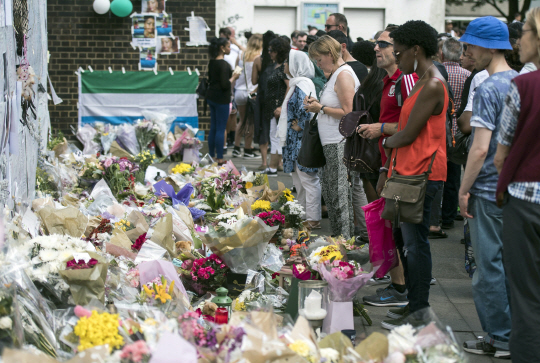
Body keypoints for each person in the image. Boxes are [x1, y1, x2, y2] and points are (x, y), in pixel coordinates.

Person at [377, 20, 449, 329]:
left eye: (400, 52)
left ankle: (420, 312)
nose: (397, 57)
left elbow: (407, 134)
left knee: (414, 244)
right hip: (408, 172)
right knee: (404, 240)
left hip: (423, 174)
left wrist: (384, 139)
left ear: (416, 50)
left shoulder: (432, 83)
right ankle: (414, 304)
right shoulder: (420, 79)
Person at [458, 16, 517, 358]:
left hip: (487, 188)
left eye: (469, 46)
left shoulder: (489, 86)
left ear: (485, 46)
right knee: (510, 264)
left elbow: (480, 148)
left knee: (488, 267)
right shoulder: (522, 82)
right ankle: (512, 333)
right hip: (515, 189)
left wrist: (465, 189)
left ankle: (500, 337)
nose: (467, 52)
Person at [357, 25, 418, 308]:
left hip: (405, 166)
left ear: (399, 48)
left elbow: (412, 126)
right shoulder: (387, 80)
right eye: (375, 44)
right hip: (388, 163)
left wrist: (380, 128)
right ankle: (398, 285)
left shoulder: (406, 80)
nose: (376, 49)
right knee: (389, 227)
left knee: (400, 232)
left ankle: (403, 290)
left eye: (382, 44)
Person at [493, 8, 540, 362]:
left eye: (523, 32)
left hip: (525, 201)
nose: (517, 40)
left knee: (525, 296)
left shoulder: (523, 86)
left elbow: (501, 151)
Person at [305, 35, 360, 239]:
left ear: (330, 53)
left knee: (339, 195)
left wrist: (321, 108)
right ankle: (339, 239)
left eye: (319, 59)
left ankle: (344, 242)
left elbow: (349, 111)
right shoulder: (336, 74)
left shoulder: (343, 75)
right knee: (332, 193)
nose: (318, 64)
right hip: (331, 141)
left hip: (340, 142)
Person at [278, 50, 322, 229]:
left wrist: (301, 126)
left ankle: (313, 218)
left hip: (301, 141)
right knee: (299, 181)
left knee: (308, 180)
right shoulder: (298, 84)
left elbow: (310, 111)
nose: (284, 65)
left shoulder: (303, 85)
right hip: (294, 140)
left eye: (287, 62)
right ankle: (303, 214)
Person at [440, 38, 471, 230]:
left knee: (436, 177)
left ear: (442, 54)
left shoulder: (435, 74)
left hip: (440, 131)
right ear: (460, 54)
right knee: (453, 177)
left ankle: (435, 216)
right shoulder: (468, 75)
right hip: (459, 133)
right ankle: (449, 216)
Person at [206, 37, 240, 165]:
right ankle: (220, 157)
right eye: (228, 46)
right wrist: (234, 77)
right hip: (222, 98)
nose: (230, 49)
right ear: (222, 48)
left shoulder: (212, 62)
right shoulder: (224, 65)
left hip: (211, 97)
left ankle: (211, 155)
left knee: (213, 127)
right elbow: (225, 85)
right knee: (221, 128)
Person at [260, 37, 290, 177]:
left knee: (277, 136)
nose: (269, 53)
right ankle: (272, 166)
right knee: (274, 136)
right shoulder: (278, 65)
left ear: (279, 51)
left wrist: (283, 107)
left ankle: (273, 166)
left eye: (272, 50)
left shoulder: (284, 66)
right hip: (273, 107)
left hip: (278, 107)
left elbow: (289, 87)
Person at [233, 34, 262, 159]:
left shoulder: (240, 56)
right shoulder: (259, 58)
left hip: (239, 91)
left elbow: (236, 73)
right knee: (250, 122)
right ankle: (247, 149)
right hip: (252, 93)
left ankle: (236, 147)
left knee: (241, 121)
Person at [252, 31, 277, 170]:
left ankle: (264, 162)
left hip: (262, 99)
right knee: (277, 130)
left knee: (263, 128)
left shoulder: (258, 60)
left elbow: (254, 80)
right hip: (276, 100)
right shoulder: (280, 62)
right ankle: (278, 162)